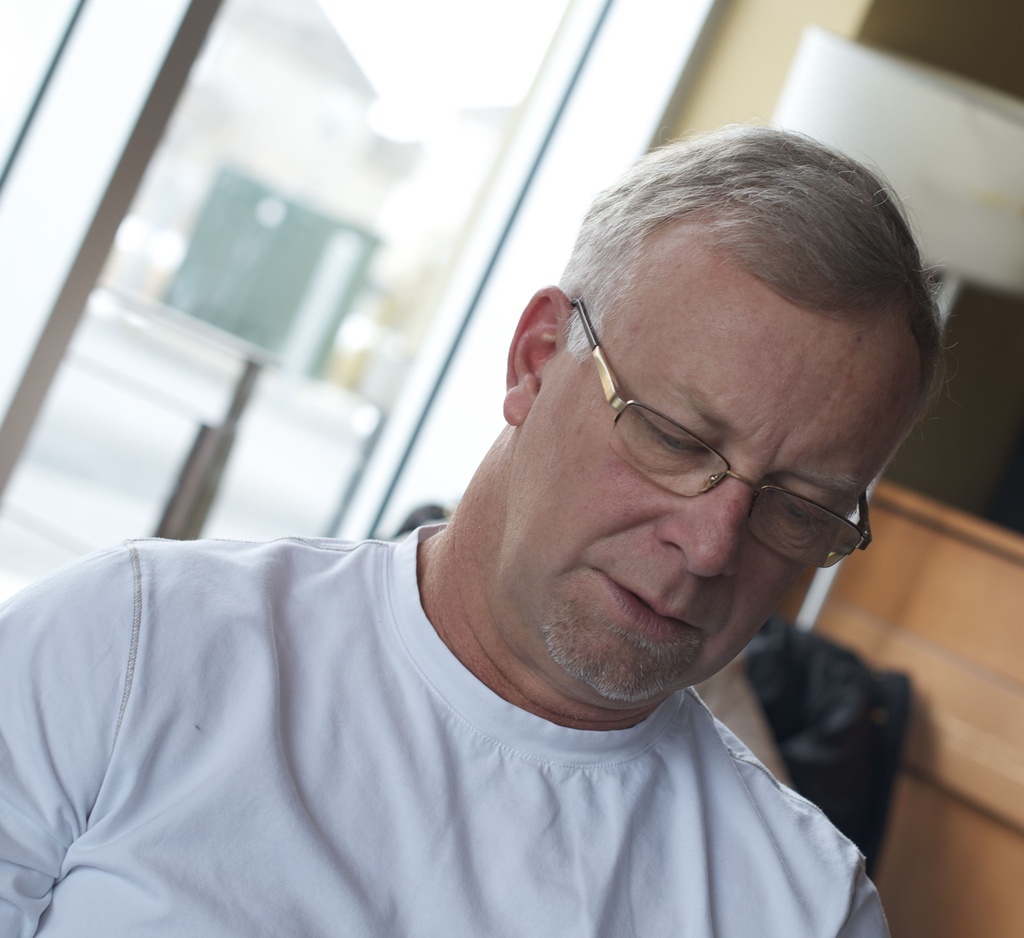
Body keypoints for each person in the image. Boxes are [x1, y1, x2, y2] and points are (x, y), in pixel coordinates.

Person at [0, 124, 943, 937]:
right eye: (674, 437)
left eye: (798, 509)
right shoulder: (134, 645)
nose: (708, 548)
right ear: (536, 360)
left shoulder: (800, 910)